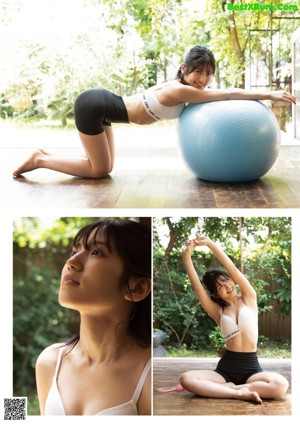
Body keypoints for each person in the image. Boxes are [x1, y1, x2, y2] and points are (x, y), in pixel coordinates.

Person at [13, 45, 296, 179]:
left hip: (105, 108)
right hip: (93, 106)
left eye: (208, 74)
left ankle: (45, 155)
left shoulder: (182, 86)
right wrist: (270, 94)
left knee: (106, 168)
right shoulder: (181, 90)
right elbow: (230, 94)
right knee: (98, 170)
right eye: (198, 71)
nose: (203, 79)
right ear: (184, 70)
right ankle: (40, 159)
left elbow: (220, 94)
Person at [35, 219, 152, 415]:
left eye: (96, 252)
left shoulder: (148, 375)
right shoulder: (49, 361)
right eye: (75, 252)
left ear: (137, 287)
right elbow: (13, 418)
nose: (71, 262)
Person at [179, 235, 289, 404]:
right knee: (186, 379)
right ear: (215, 294)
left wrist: (210, 243)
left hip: (252, 369)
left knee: (280, 384)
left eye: (227, 280)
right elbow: (197, 288)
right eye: (220, 286)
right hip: (225, 371)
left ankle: (233, 388)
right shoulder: (218, 311)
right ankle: (238, 393)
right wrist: (186, 255)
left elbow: (231, 267)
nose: (227, 286)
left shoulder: (249, 298)